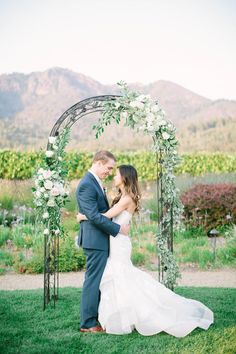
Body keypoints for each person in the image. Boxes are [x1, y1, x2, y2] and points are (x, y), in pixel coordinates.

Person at [77, 164, 214, 336]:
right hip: (116, 240)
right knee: (118, 277)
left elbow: (105, 217)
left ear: (125, 178)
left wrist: (82, 216)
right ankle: (119, 317)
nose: (113, 177)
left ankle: (135, 315)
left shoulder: (127, 199)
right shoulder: (124, 196)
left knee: (121, 275)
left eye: (116, 174)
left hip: (119, 243)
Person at [76, 151, 130, 333]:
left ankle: (98, 316)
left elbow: (95, 213)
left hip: (100, 239)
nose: (109, 172)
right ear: (98, 163)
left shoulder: (95, 182)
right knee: (93, 281)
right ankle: (89, 323)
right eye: (108, 168)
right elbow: (94, 216)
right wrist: (118, 229)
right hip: (95, 240)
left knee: (99, 280)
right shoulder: (86, 185)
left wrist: (84, 216)